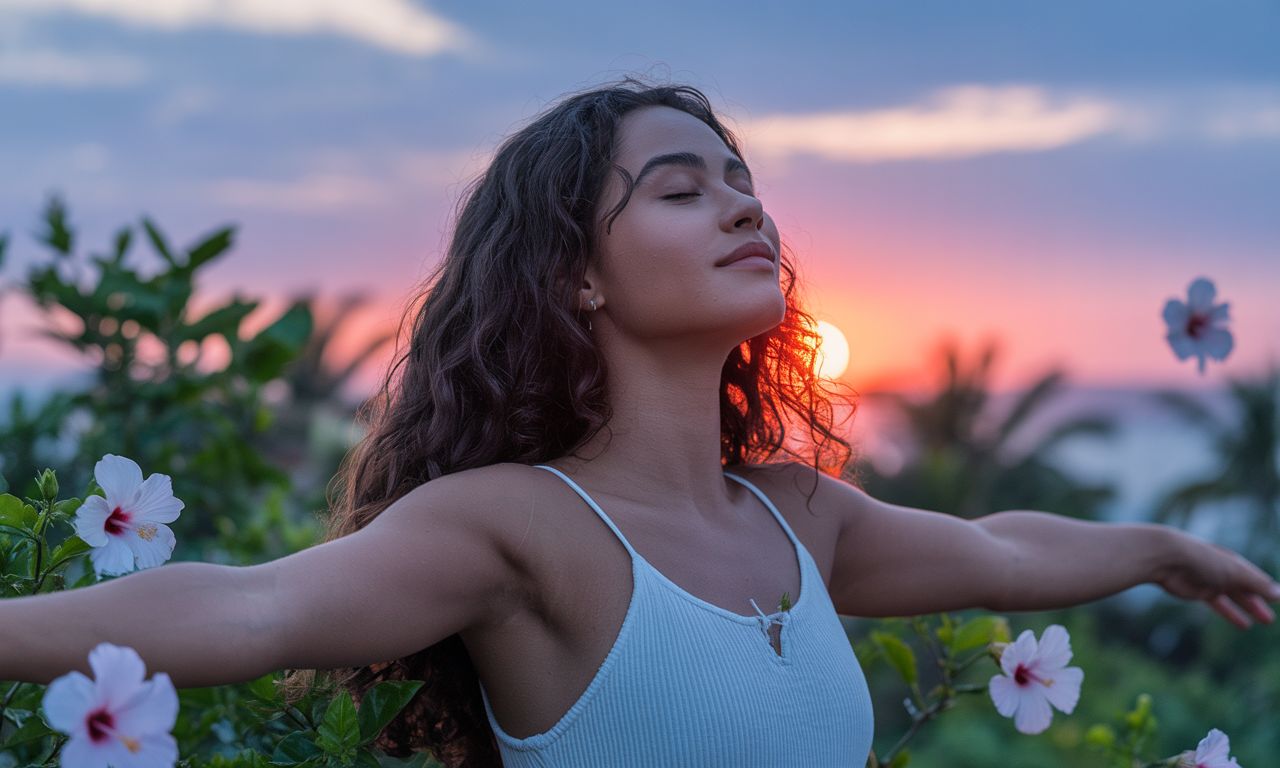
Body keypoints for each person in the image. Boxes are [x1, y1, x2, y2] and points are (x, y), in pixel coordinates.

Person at [3, 79, 1278, 768]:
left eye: (744, 186)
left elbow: (1002, 552)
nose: (742, 210)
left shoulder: (796, 516)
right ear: (578, 276)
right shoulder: (519, 526)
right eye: (682, 189)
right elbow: (253, 609)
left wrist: (1162, 553)